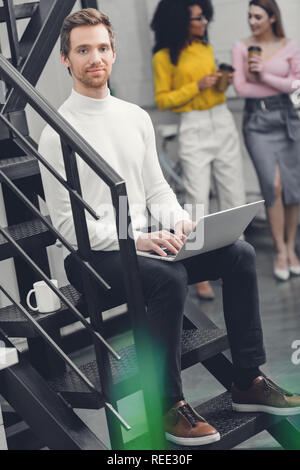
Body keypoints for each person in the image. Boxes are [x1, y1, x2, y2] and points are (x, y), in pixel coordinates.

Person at [38, 8, 300, 447]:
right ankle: (167, 404)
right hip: (92, 257)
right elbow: (69, 226)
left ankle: (247, 381)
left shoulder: (134, 117)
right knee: (168, 276)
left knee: (240, 253)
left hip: (146, 241)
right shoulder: (57, 134)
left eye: (102, 48)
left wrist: (183, 223)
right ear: (66, 59)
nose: (94, 58)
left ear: (114, 52)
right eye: (83, 50)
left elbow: (157, 190)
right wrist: (136, 239)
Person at [151, 0, 246, 300]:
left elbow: (214, 92)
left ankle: (239, 261)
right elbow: (164, 100)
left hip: (221, 119)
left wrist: (221, 82)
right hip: (192, 126)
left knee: (235, 195)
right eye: (197, 18)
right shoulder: (164, 58)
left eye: (205, 17)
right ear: (181, 22)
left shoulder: (205, 49)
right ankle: (198, 271)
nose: (204, 22)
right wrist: (197, 86)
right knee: (196, 201)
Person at [232, 0, 300, 281]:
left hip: (288, 120)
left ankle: (291, 245)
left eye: (258, 16)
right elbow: (242, 87)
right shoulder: (241, 47)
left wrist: (264, 74)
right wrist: (277, 80)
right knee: (272, 186)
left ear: (272, 18)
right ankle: (279, 249)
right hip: (257, 123)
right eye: (249, 16)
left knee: (293, 188)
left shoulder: (291, 45)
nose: (252, 21)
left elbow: (297, 84)